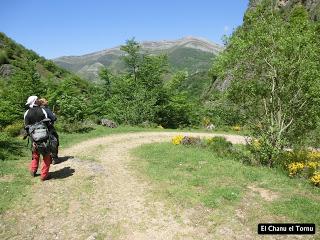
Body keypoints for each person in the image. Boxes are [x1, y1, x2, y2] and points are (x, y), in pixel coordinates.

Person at [24, 95, 52, 181]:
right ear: (35, 101)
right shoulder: (42, 110)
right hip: (44, 138)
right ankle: (44, 175)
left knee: (35, 154)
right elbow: (48, 123)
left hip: (34, 138)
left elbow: (26, 127)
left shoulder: (27, 113)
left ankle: (33, 170)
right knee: (46, 155)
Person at [38, 98, 59, 164]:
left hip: (38, 130)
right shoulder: (46, 109)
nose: (47, 101)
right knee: (54, 140)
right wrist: (54, 115)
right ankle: (54, 158)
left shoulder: (37, 110)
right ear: (43, 103)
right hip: (49, 128)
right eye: (45, 101)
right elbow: (54, 118)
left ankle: (47, 158)